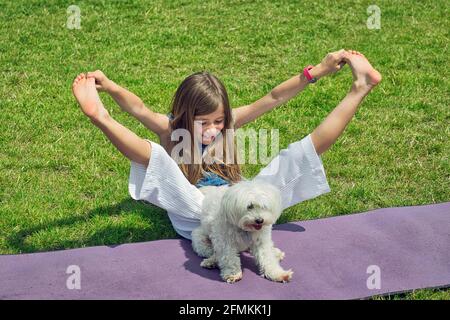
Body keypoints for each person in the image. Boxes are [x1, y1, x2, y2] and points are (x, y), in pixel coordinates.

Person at [72, 49, 381, 239]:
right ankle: (101, 118)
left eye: (218, 121)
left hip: (238, 206)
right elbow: (139, 108)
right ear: (184, 115)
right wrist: (110, 87)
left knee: (297, 156)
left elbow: (274, 97)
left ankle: (360, 88)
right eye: (203, 123)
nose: (212, 130)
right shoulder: (171, 128)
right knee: (158, 159)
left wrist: (319, 70)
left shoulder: (228, 126)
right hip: (193, 211)